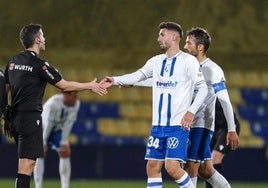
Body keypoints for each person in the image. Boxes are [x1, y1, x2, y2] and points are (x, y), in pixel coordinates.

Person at [100, 22, 208, 188]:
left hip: (177, 125)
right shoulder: (156, 61)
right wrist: (114, 80)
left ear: (173, 37)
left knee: (172, 167)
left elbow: (203, 88)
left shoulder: (188, 61)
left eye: (161, 35)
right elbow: (137, 76)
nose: (158, 39)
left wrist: (191, 112)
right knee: (152, 167)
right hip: (157, 126)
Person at [3, 23, 107, 188]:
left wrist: (5, 116)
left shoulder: (13, 62)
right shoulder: (40, 64)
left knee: (24, 165)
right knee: (26, 166)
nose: (45, 39)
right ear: (37, 40)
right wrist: (89, 85)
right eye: (43, 36)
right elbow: (64, 86)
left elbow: (5, 91)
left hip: (15, 119)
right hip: (30, 119)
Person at [183, 27, 239, 187]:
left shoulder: (213, 70)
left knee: (190, 169)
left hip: (201, 127)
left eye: (188, 43)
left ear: (200, 47)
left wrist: (231, 129)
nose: (184, 46)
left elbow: (225, 101)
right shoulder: (187, 67)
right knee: (206, 171)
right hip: (191, 125)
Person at [33, 91, 80, 188]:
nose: (76, 98)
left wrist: (63, 140)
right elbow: (47, 123)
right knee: (40, 153)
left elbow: (69, 123)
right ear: (66, 95)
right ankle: (38, 185)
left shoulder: (76, 104)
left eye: (76, 96)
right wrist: (44, 141)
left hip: (57, 128)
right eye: (74, 96)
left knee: (65, 151)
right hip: (42, 127)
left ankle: (65, 186)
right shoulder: (53, 104)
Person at [205, 98, 240, 188]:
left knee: (214, 159)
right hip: (214, 129)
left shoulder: (212, 94)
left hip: (228, 129)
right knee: (207, 164)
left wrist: (232, 130)